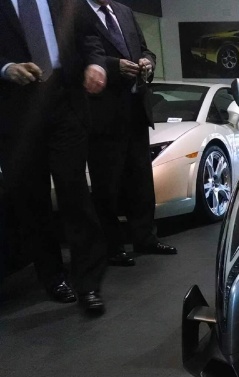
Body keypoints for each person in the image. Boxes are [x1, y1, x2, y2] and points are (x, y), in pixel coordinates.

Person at [0, 0, 109, 314]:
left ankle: (88, 283)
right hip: (16, 112)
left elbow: (88, 36)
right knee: (32, 200)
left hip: (66, 102)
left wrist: (97, 64)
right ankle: (53, 277)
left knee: (74, 191)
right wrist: (6, 68)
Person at [84, 0, 176, 266]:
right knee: (107, 186)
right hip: (102, 115)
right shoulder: (76, 12)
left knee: (141, 182)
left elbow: (146, 49)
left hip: (137, 109)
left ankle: (145, 238)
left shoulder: (123, 11)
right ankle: (112, 247)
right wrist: (114, 66)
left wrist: (148, 62)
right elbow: (76, 58)